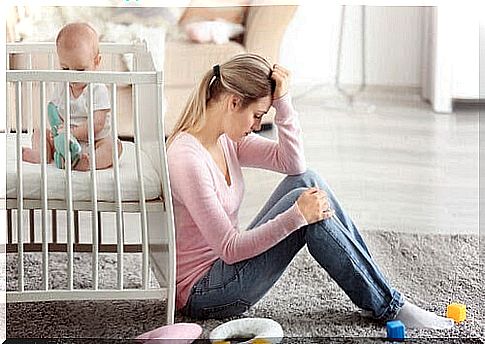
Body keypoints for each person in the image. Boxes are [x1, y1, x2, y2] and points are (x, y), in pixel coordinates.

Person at [166, 53, 454, 330]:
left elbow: (294, 164)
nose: (257, 126)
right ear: (233, 102)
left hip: (225, 271)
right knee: (302, 206)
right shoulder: (187, 158)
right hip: (205, 294)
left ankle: (378, 290)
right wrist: (296, 217)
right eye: (256, 115)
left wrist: (284, 103)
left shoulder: (225, 139)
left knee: (307, 180)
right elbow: (230, 249)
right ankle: (389, 305)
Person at [22, 22, 121, 171]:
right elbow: (54, 111)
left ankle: (88, 162)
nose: (71, 76)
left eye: (80, 69)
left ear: (96, 62)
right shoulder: (62, 86)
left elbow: (97, 123)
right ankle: (42, 154)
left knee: (114, 145)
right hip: (64, 141)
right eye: (65, 68)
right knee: (39, 132)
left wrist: (72, 133)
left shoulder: (98, 89)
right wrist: (56, 134)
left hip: (93, 142)